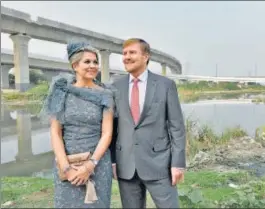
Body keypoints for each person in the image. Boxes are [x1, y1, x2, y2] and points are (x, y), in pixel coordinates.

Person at [110, 38, 186, 208]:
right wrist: (113, 161)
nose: (126, 57)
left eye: (132, 52)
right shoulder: (115, 87)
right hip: (126, 165)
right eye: (124, 53)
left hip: (160, 165)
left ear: (146, 56)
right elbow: (112, 129)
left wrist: (178, 163)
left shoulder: (165, 85)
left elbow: (177, 127)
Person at [41, 42, 114, 208]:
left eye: (95, 62)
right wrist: (66, 168)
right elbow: (55, 133)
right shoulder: (61, 92)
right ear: (75, 65)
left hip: (97, 163)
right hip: (67, 162)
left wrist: (90, 165)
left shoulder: (106, 94)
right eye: (87, 62)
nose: (93, 66)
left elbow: (107, 134)